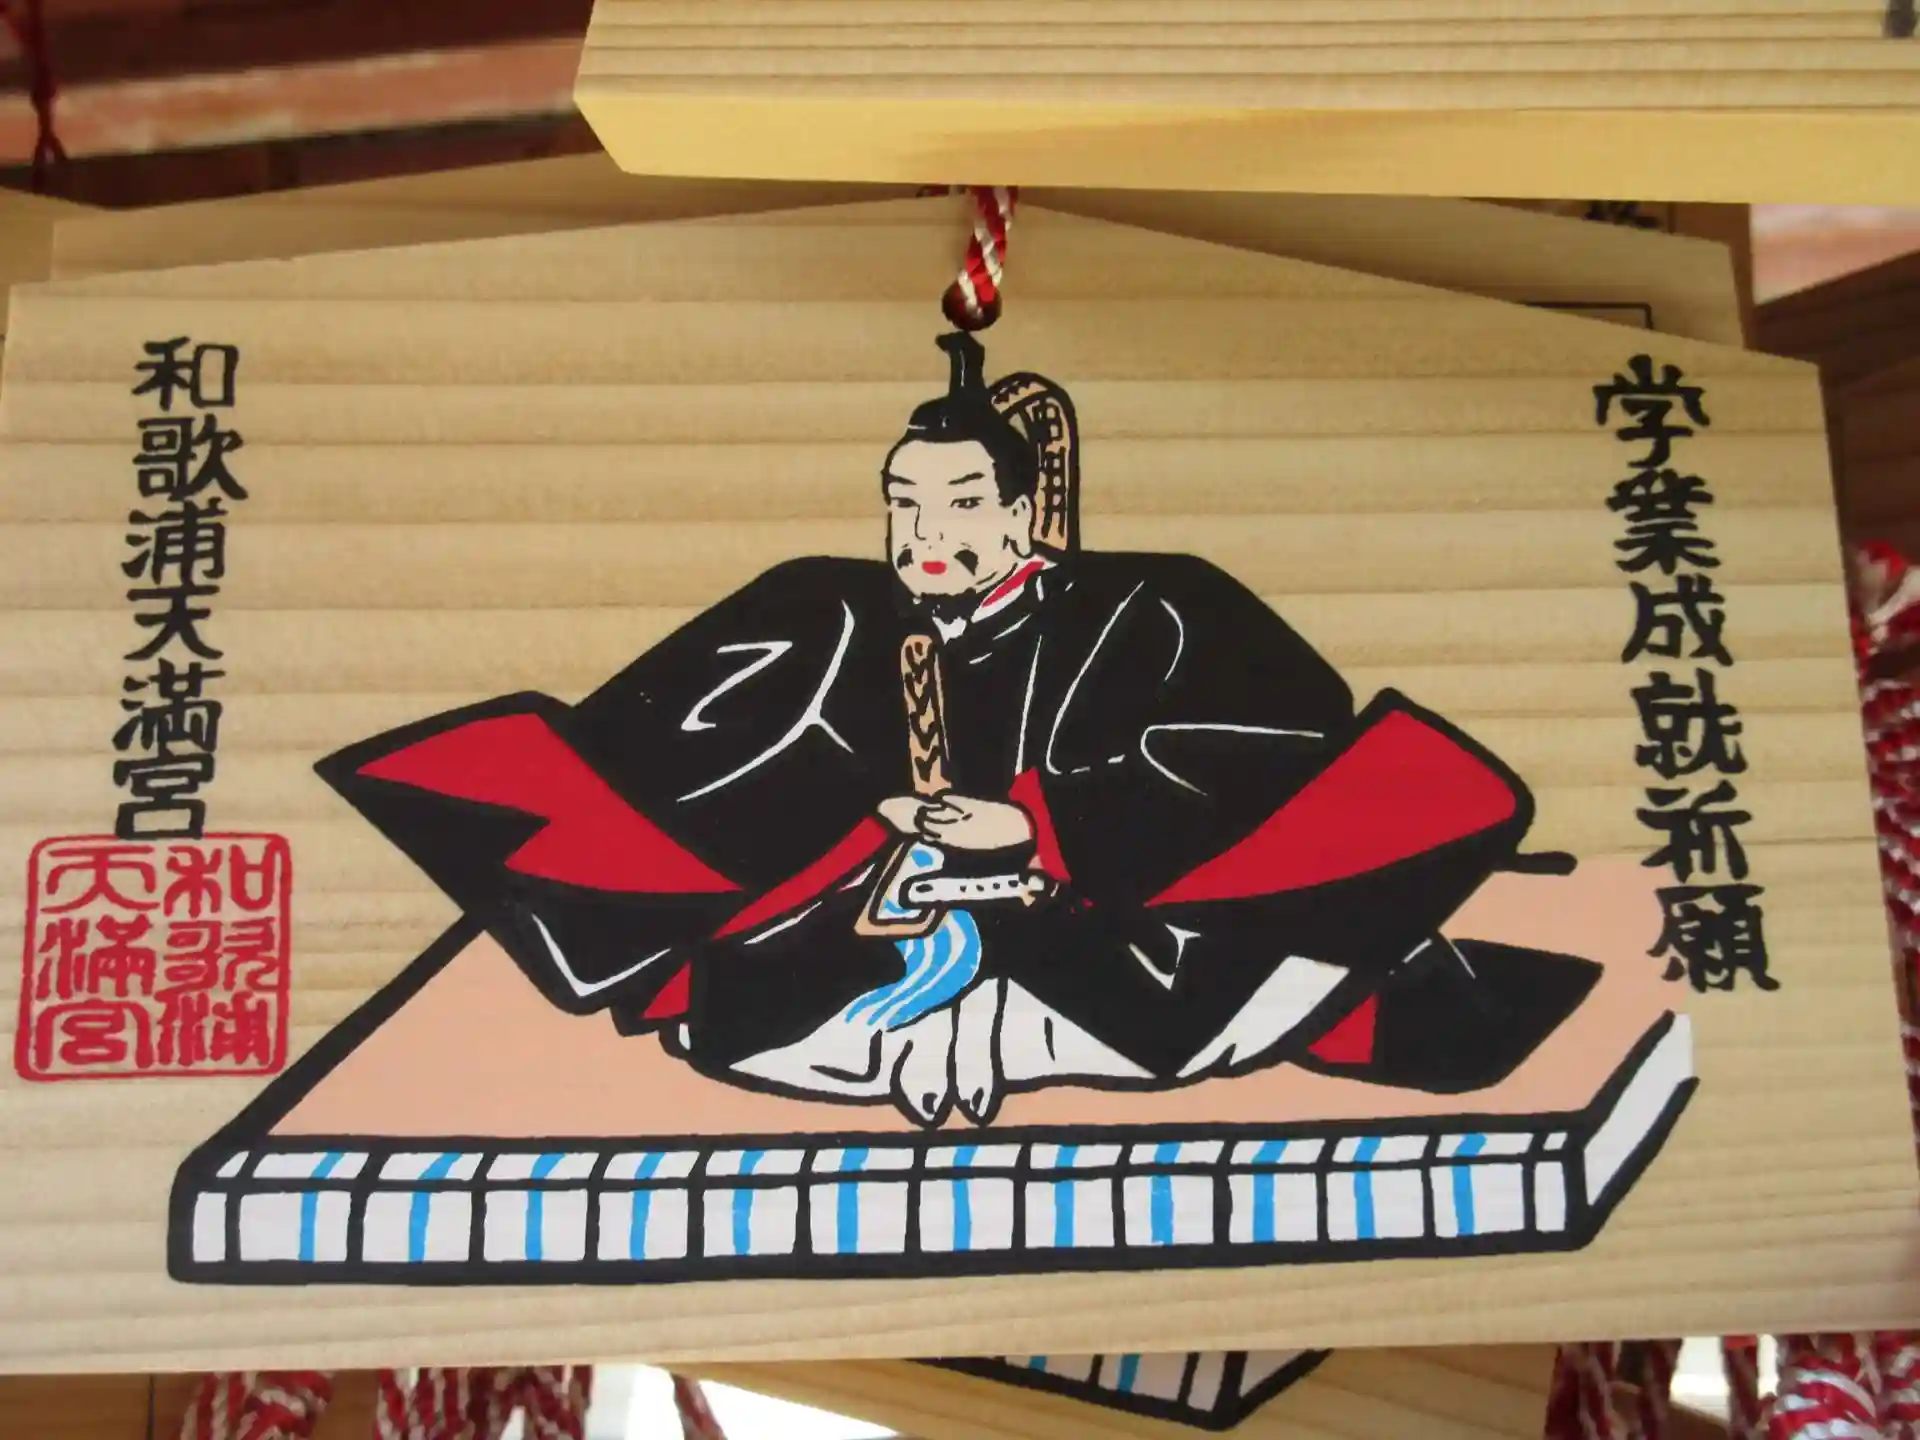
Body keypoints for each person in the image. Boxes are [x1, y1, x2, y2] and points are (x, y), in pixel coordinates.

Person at [319, 332, 1597, 1128]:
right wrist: (849, 816)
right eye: (903, 506)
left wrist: (1043, 822)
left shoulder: (1157, 601)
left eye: (959, 505)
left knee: (1357, 838)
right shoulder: (817, 607)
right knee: (596, 860)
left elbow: (1259, 755)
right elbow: (660, 751)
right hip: (846, 955)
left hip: (1112, 953)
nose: (924, 536)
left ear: (1026, 510)